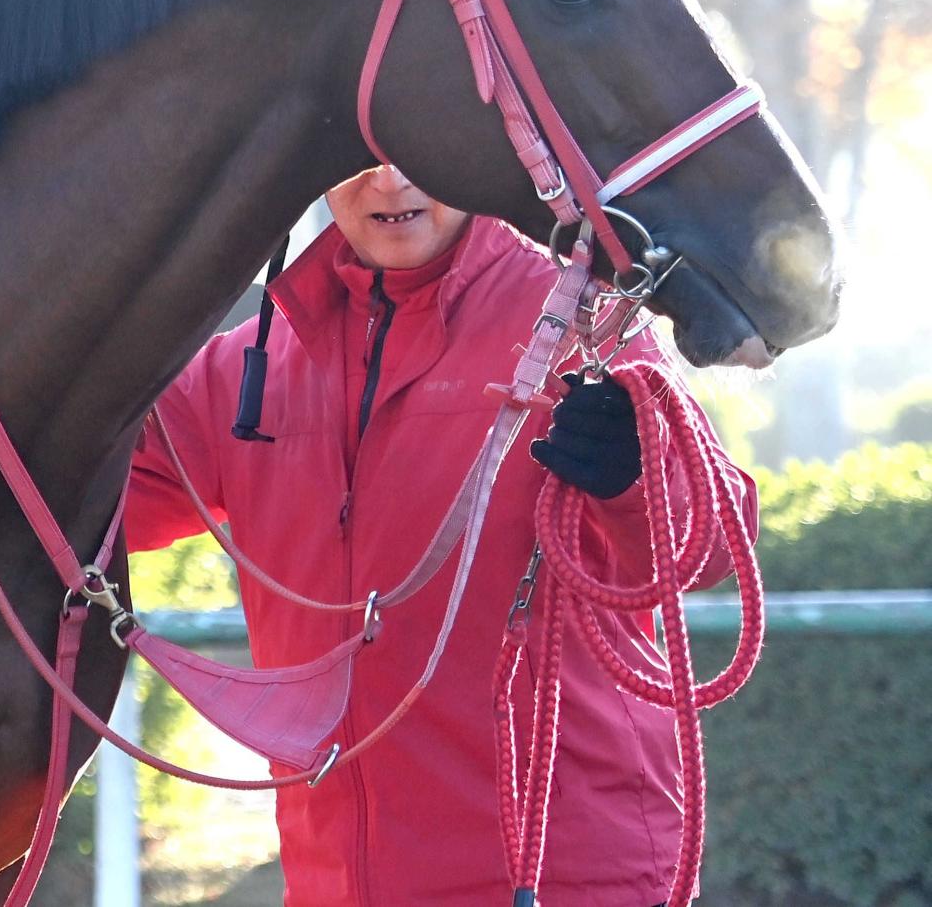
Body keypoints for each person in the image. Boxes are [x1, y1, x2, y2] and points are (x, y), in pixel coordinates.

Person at [127, 165, 757, 907]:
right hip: (333, 886)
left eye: (413, 153)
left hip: (563, 878)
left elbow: (714, 544)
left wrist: (638, 473)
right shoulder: (241, 370)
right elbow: (61, 507)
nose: (390, 182)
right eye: (360, 158)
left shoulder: (583, 323)